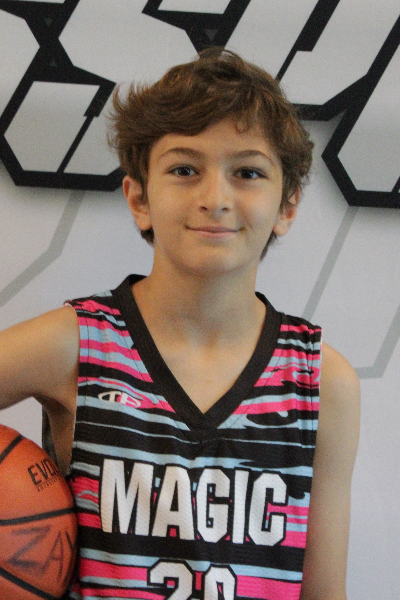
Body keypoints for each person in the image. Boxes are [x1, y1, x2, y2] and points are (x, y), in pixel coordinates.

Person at [0, 48, 360, 600]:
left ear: (287, 205)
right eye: (185, 170)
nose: (215, 198)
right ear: (139, 198)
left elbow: (324, 592)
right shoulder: (77, 344)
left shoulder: (321, 382)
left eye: (247, 172)